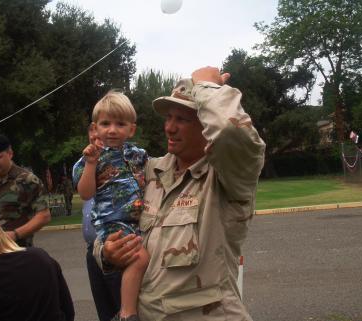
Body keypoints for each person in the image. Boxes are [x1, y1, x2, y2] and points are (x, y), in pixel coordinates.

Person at [97, 66, 266, 321]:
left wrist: (207, 85)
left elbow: (231, 131)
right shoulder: (149, 171)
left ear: (206, 124)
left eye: (183, 119)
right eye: (168, 118)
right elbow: (111, 215)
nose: (169, 128)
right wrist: (106, 252)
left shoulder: (226, 178)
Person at [73, 91, 149, 321]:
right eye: (105, 124)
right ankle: (126, 313)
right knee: (140, 258)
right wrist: (91, 164)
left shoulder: (138, 155)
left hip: (139, 223)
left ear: (131, 129)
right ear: (95, 128)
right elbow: (86, 193)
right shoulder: (90, 158)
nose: (112, 130)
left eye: (120, 123)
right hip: (112, 224)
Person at [77, 126, 122, 321]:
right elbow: (85, 194)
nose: (97, 136)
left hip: (118, 246)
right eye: (92, 131)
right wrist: (90, 163)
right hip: (93, 251)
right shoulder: (82, 164)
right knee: (104, 311)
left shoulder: (125, 159)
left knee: (124, 308)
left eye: (100, 129)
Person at [0, 134, 51, 247]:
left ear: (10, 154)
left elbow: (44, 216)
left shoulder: (27, 180)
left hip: (16, 251)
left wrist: (15, 234)